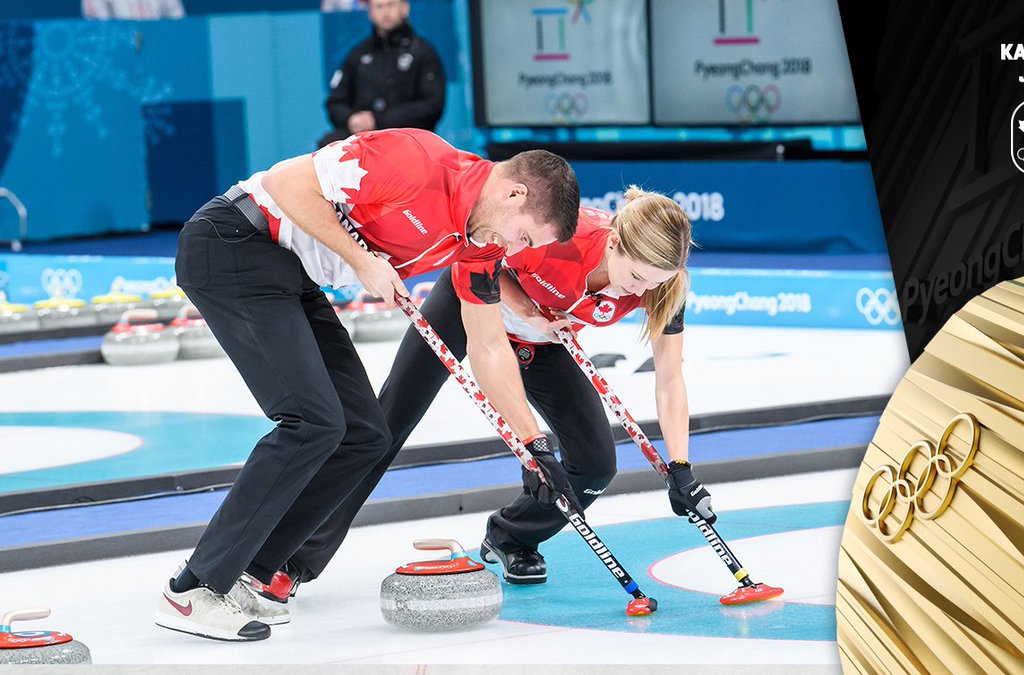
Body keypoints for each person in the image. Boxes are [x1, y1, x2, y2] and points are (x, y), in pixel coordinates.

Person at [156, 128, 579, 642]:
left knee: (365, 434)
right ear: (515, 194)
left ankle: (253, 571)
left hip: (291, 275)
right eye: (524, 237)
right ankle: (193, 589)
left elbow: (487, 345)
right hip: (234, 243)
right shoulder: (418, 160)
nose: (515, 249)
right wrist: (363, 261)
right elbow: (290, 184)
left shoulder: (478, 241)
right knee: (311, 422)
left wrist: (531, 443)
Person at [285, 187, 712, 588]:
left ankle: (512, 534)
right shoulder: (562, 234)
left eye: (654, 283)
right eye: (637, 277)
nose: (640, 291)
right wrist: (526, 307)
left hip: (539, 340)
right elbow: (482, 257)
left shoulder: (665, 285)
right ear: (614, 242)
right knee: (384, 428)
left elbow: (670, 377)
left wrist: (681, 466)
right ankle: (294, 555)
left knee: (596, 465)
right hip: (468, 302)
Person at [319, 0, 445, 148]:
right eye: (379, 6)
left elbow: (432, 105)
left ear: (405, 8)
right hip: (365, 139)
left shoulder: (422, 52)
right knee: (328, 145)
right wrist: (351, 119)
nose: (385, 12)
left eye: (390, 5)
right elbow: (336, 101)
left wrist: (380, 120)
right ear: (370, 12)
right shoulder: (358, 54)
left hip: (409, 139)